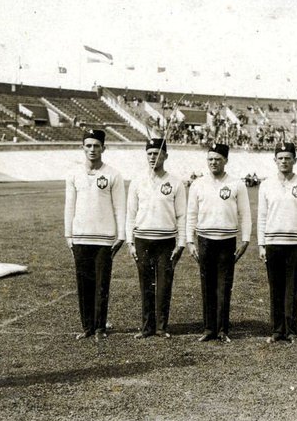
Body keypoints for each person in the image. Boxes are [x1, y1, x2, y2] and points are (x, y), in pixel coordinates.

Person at [64, 129, 126, 341]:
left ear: (103, 148)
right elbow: (69, 206)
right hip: (80, 237)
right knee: (83, 283)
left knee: (101, 284)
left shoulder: (113, 174)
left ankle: (100, 327)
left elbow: (120, 207)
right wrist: (68, 235)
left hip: (104, 238)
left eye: (96, 146)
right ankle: (87, 327)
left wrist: (121, 234)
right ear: (83, 147)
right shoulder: (73, 174)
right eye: (88, 145)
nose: (92, 149)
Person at [186, 143, 251, 342]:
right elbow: (191, 214)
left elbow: (245, 213)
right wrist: (190, 241)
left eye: (218, 159)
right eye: (210, 159)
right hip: (204, 240)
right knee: (207, 284)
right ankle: (208, 329)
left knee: (224, 285)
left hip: (227, 240)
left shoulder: (236, 184)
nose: (214, 163)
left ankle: (223, 329)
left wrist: (246, 239)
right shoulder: (198, 184)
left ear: (226, 161)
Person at [258, 142, 297, 344]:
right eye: (280, 158)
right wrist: (261, 244)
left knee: (292, 289)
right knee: (275, 288)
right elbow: (262, 217)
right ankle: (277, 330)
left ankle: (291, 331)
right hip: (273, 243)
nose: (284, 161)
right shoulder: (266, 185)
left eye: (288, 158)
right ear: (275, 160)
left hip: (296, 244)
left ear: (295, 160)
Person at [126, 138, 186, 339]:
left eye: (157, 153)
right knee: (146, 284)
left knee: (164, 284)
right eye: (150, 153)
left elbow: (182, 215)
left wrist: (182, 242)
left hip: (166, 241)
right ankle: (146, 327)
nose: (153, 157)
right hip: (142, 240)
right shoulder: (137, 181)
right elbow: (130, 214)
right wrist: (130, 242)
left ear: (166, 156)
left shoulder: (175, 182)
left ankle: (161, 327)